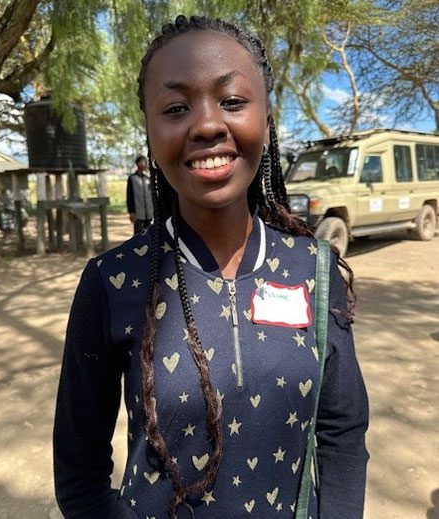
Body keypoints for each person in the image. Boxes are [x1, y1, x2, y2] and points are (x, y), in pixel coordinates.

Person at [53, 16, 368, 519]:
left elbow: (342, 432)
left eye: (233, 102)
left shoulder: (315, 267)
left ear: (266, 118)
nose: (206, 125)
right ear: (151, 132)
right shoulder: (113, 282)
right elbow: (79, 473)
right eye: (176, 108)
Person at [127, 155, 154, 233]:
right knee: (138, 235)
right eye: (143, 162)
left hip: (149, 214)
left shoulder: (148, 178)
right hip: (138, 214)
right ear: (138, 164)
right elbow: (129, 196)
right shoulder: (132, 178)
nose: (145, 164)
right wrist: (131, 212)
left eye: (146, 163)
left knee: (149, 235)